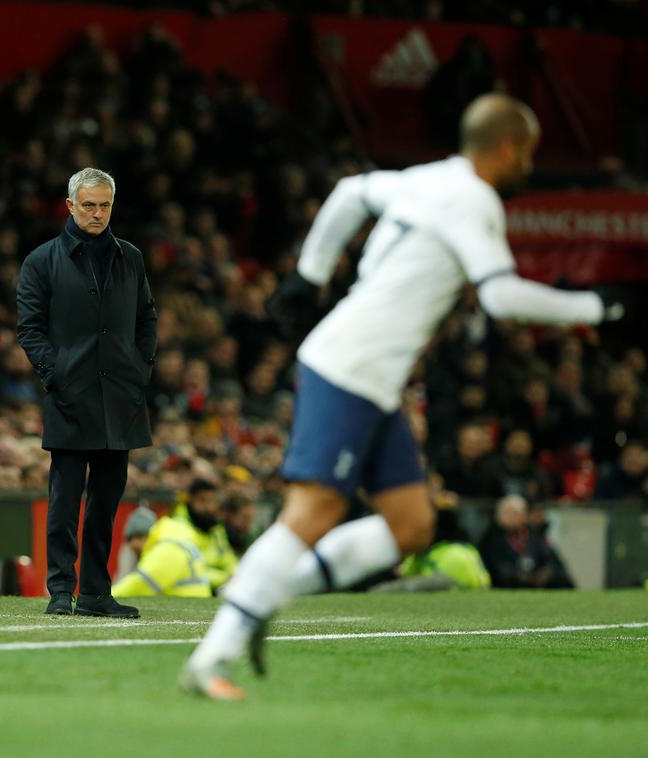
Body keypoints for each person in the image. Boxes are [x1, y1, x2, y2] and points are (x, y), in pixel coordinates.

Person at [181, 93, 625, 700]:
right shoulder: (476, 201)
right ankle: (214, 653)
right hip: (352, 366)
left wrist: (309, 275)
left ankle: (267, 596)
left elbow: (347, 194)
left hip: (371, 375)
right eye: (528, 152)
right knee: (313, 512)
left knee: (413, 525)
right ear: (507, 148)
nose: (529, 164)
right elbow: (498, 298)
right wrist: (596, 306)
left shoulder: (425, 179)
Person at [17, 167, 157, 618]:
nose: (97, 214)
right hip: (70, 396)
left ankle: (96, 592)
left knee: (106, 502)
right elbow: (30, 328)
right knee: (65, 499)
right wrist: (55, 375)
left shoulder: (130, 258)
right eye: (89, 205)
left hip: (120, 396)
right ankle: (61, 590)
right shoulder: (42, 260)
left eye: (105, 206)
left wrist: (139, 370)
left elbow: (147, 318)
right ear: (70, 205)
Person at [478, 494, 573, 589]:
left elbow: (552, 562)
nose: (512, 517)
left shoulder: (535, 536)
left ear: (524, 515)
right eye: (508, 513)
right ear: (498, 516)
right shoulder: (490, 539)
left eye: (516, 513)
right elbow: (494, 569)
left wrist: (546, 573)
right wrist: (521, 577)